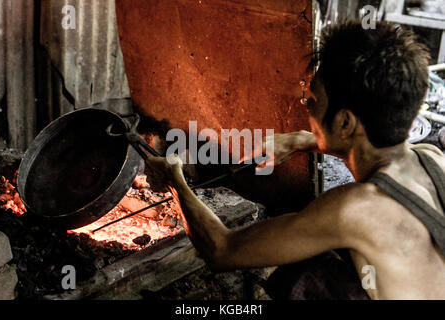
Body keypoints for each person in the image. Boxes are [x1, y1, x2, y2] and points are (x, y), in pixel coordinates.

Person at [146, 20, 445, 300]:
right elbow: (371, 147)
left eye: (312, 101)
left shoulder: (353, 208)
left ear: (344, 123)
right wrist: (301, 139)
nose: (307, 109)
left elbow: (222, 250)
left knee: (307, 273)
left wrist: (175, 180)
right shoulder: (432, 158)